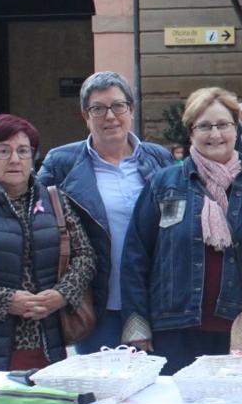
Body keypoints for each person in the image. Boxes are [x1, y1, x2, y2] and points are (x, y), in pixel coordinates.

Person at [121, 87, 242, 374]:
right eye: (204, 126)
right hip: (174, 328)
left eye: (223, 125)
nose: (215, 134)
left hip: (239, 329)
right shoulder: (164, 184)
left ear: (236, 129)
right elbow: (136, 256)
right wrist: (136, 324)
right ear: (191, 133)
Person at [0, 114, 95, 370]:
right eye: (4, 151)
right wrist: (5, 300)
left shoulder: (55, 201)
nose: (15, 159)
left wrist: (61, 294)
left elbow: (85, 256)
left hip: (44, 341)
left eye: (23, 151)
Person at [37, 72, 175, 352]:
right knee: (102, 387)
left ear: (131, 110)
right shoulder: (62, 162)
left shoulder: (159, 158)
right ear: (85, 116)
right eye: (98, 109)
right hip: (98, 302)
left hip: (156, 300)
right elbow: (29, 203)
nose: (109, 116)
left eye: (118, 106)